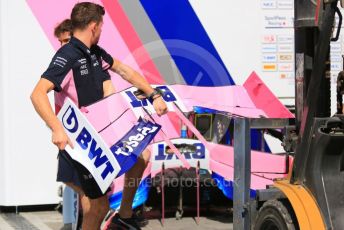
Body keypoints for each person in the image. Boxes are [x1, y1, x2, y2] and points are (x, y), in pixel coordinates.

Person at [30, 2, 167, 230]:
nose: (101, 31)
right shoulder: (68, 54)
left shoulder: (95, 52)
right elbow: (37, 94)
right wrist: (56, 128)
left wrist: (154, 94)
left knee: (142, 154)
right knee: (97, 206)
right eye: (101, 27)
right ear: (94, 26)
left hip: (101, 135)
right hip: (80, 142)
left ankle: (124, 215)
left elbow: (124, 70)